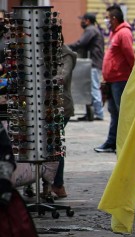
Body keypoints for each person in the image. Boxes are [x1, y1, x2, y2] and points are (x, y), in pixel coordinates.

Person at [94, 5, 135, 153]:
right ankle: (112, 142)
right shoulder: (115, 33)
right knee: (114, 112)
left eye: (107, 18)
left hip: (120, 80)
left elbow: (130, 56)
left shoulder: (124, 33)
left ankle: (125, 145)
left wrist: (134, 75)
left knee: (122, 112)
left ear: (114, 18)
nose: (106, 21)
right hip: (112, 81)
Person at [50, 37, 77, 198]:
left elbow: (62, 77)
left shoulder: (67, 55)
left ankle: (58, 184)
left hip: (62, 106)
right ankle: (51, 183)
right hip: (48, 106)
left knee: (55, 143)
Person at [68, 12, 105, 121]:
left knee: (93, 88)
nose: (82, 22)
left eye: (83, 19)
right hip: (93, 63)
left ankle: (99, 113)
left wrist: (65, 47)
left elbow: (80, 43)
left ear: (88, 21)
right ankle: (90, 113)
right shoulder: (93, 30)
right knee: (88, 89)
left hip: (93, 64)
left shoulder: (90, 30)